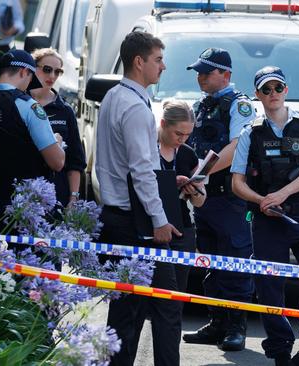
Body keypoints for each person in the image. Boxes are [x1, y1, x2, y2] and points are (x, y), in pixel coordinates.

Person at [231, 66, 299, 366]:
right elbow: (236, 183)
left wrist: (283, 194)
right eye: (266, 90)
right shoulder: (250, 133)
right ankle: (280, 352)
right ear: (258, 95)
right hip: (265, 220)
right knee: (269, 289)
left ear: (286, 90)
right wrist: (261, 200)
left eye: (278, 88)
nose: (273, 94)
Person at [95, 31, 182, 366]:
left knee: (126, 308)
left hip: (120, 215)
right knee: (164, 303)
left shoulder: (116, 97)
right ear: (138, 61)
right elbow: (141, 171)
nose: (163, 66)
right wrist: (159, 219)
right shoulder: (133, 106)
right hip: (136, 221)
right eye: (158, 59)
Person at [181, 47, 255, 352]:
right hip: (205, 198)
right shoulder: (201, 105)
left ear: (225, 74)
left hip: (229, 198)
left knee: (235, 262)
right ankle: (218, 322)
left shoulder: (239, 106)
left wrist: (199, 174)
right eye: (199, 71)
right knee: (210, 261)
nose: (200, 77)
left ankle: (236, 327)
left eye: (206, 72)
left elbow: (239, 146)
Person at [0, 49, 64, 235]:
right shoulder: (28, 106)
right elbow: (57, 162)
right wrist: (57, 142)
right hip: (27, 211)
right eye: (30, 79)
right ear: (23, 72)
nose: (29, 85)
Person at [157, 99, 206, 292]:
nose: (183, 139)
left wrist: (193, 190)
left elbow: (201, 201)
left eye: (188, 134)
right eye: (178, 133)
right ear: (163, 124)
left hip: (181, 229)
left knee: (175, 296)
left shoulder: (187, 154)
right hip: (152, 227)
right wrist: (171, 182)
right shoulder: (146, 148)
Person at [30, 48, 86, 207]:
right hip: (24, 191)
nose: (52, 76)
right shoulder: (21, 102)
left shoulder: (65, 110)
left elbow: (75, 161)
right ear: (34, 68)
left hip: (56, 195)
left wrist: (73, 199)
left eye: (58, 71)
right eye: (47, 69)